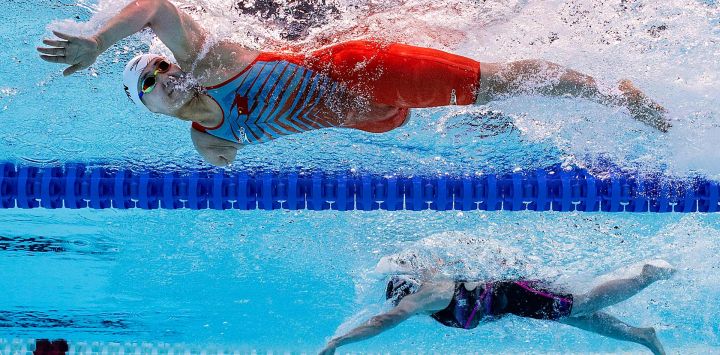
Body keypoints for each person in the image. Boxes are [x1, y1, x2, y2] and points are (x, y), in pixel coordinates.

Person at [38, 0, 671, 167]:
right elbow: (225, 146)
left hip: (367, 72)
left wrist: (98, 39)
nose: (162, 75)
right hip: (371, 112)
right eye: (149, 82)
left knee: (498, 85)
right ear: (148, 107)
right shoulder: (210, 142)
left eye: (158, 65)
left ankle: (605, 89)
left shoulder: (213, 64)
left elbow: (154, 6)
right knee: (460, 50)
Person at [320, 260, 676, 355]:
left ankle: (646, 276)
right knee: (579, 319)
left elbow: (386, 320)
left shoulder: (424, 296)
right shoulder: (430, 293)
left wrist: (340, 342)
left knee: (582, 305)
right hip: (514, 303)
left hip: (518, 294)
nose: (403, 307)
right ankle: (641, 336)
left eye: (402, 302)